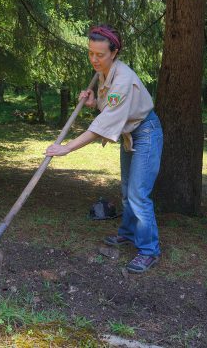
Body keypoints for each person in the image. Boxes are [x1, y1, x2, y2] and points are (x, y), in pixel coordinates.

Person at [45, 25, 163, 274]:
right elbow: (108, 108)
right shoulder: (104, 72)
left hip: (146, 133)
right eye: (91, 53)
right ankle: (128, 233)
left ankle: (149, 251)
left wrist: (67, 148)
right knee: (126, 190)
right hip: (129, 133)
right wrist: (92, 102)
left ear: (115, 52)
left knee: (138, 194)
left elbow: (102, 127)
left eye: (100, 55)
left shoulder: (123, 79)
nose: (94, 60)